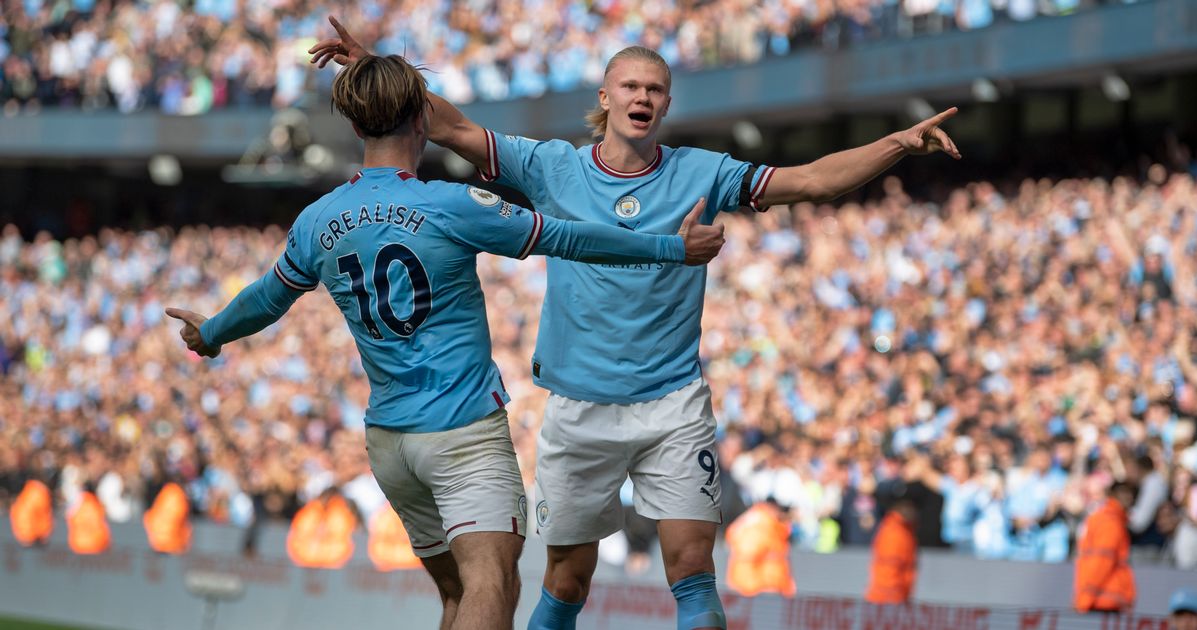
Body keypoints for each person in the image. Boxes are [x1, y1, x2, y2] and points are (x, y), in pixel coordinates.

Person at [310, 19, 958, 629]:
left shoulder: (703, 172)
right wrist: (378, 74)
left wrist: (897, 143)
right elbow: (450, 126)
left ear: (666, 105)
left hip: (672, 402)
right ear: (606, 97)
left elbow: (812, 181)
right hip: (578, 405)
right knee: (567, 580)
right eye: (630, 86)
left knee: (693, 569)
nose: (642, 97)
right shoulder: (552, 166)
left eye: (654, 89)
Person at [166, 53, 724, 630]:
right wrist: (670, 248)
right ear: (420, 120)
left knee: (457, 596)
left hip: (390, 443)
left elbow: (266, 298)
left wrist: (211, 332)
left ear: (355, 127)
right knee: (491, 583)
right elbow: (569, 239)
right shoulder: (451, 206)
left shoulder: (317, 220)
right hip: (461, 433)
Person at [1074, 483, 1137, 614]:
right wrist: (1084, 601)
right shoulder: (1110, 522)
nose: (1129, 498)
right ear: (1112, 495)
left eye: (1131, 494)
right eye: (1124, 493)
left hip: (1101, 599)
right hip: (1103, 601)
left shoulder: (1106, 519)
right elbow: (1101, 562)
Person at [725, 497, 795, 598]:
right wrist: (769, 587)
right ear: (773, 506)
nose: (786, 515)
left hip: (755, 588)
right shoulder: (762, 524)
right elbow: (749, 555)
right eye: (784, 510)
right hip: (758, 590)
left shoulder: (758, 520)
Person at [864, 499, 918, 605]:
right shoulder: (896, 533)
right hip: (888, 597)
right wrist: (895, 596)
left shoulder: (899, 530)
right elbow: (890, 567)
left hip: (889, 595)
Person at [10, 477, 53, 547]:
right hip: (33, 537)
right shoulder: (38, 492)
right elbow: (41, 515)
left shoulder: (31, 492)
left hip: (29, 536)